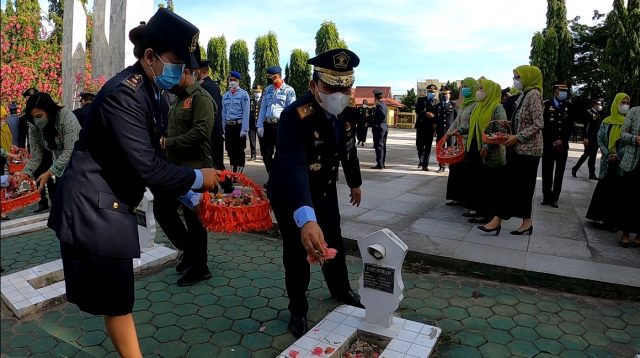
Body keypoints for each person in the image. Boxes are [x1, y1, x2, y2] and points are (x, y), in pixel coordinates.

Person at [46, 9, 220, 357]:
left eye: (186, 66)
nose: (182, 72)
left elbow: (149, 158)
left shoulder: (153, 91)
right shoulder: (124, 94)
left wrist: (190, 195)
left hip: (111, 202)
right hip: (93, 207)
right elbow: (149, 167)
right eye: (176, 63)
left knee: (117, 299)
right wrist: (200, 178)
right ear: (151, 57)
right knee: (118, 300)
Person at [267, 48, 364, 338]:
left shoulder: (347, 111)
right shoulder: (294, 115)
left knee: (332, 238)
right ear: (314, 86)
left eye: (344, 86)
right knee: (298, 253)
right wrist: (306, 219)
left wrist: (355, 182)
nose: (338, 93)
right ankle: (298, 309)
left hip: (324, 190)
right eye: (330, 86)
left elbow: (348, 149)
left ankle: (340, 288)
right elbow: (294, 166)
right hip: (292, 195)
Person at [155, 55, 215, 286]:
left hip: (197, 169)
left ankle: (201, 267)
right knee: (163, 210)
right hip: (175, 168)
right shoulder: (178, 99)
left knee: (195, 219)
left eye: (175, 71)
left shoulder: (201, 98)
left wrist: (170, 142)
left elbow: (201, 132)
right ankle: (190, 251)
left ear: (188, 72)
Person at [480, 65, 544, 236]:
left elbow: (538, 124)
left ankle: (501, 220)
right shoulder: (525, 95)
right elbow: (523, 121)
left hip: (529, 150)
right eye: (515, 76)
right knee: (516, 185)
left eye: (518, 77)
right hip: (520, 148)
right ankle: (521, 222)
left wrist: (517, 137)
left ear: (529, 77)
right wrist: (509, 125)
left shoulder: (534, 95)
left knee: (518, 185)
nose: (516, 80)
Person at [20, 93, 81, 201]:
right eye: (33, 117)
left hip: (79, 166)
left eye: (39, 116)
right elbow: (36, 156)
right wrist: (25, 173)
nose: (36, 120)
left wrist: (49, 173)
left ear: (49, 111)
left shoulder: (65, 117)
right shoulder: (34, 126)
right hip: (60, 168)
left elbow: (69, 151)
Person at [586, 93, 630, 232]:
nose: (625, 105)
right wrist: (607, 153)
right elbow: (600, 138)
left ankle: (613, 221)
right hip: (607, 160)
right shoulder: (607, 121)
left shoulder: (629, 122)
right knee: (604, 187)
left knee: (618, 191)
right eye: (622, 102)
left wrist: (618, 155)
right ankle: (600, 217)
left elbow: (629, 143)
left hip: (621, 162)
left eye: (627, 103)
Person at [195, 53, 233, 194]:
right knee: (215, 162)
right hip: (214, 131)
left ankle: (225, 187)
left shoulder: (206, 87)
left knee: (215, 163)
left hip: (211, 132)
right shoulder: (211, 86)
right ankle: (224, 187)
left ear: (200, 71)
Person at [257, 65, 296, 178]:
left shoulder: (289, 90)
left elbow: (291, 110)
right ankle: (272, 176)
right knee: (266, 154)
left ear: (276, 76)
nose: (268, 79)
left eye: (270, 77)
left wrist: (289, 129)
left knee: (281, 154)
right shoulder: (268, 90)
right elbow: (263, 108)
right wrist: (260, 125)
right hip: (268, 125)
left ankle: (280, 179)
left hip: (281, 125)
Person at [541, 82, 575, 208]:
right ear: (555, 90)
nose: (564, 92)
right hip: (549, 145)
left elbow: (570, 126)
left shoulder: (569, 106)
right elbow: (543, 125)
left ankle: (555, 198)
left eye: (565, 90)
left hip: (562, 145)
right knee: (547, 171)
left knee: (559, 172)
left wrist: (563, 140)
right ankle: (546, 196)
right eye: (561, 90)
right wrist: (549, 142)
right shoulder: (546, 105)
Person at [445, 77, 478, 206]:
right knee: (455, 169)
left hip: (468, 142)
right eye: (462, 86)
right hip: (459, 142)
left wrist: (459, 130)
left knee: (465, 171)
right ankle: (456, 197)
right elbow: (456, 121)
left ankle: (465, 199)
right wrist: (449, 133)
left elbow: (474, 125)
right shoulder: (464, 105)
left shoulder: (475, 105)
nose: (463, 89)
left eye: (466, 86)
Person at [618, 105, 640, 247]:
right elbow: (623, 134)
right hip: (632, 161)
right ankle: (625, 232)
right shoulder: (635, 111)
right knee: (628, 198)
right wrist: (635, 139)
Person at [222, 70, 250, 173]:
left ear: (238, 81)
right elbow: (223, 113)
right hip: (229, 126)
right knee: (230, 149)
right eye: (231, 80)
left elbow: (246, 113)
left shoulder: (244, 95)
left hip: (239, 125)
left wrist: (244, 129)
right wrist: (223, 128)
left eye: (234, 80)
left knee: (239, 149)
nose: (232, 82)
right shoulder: (225, 96)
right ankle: (232, 170)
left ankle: (239, 172)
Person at [572, 98, 603, 180]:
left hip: (595, 138)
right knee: (586, 154)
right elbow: (586, 126)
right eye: (598, 104)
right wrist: (585, 137)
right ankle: (575, 168)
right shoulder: (589, 112)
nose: (600, 105)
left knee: (593, 156)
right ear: (594, 104)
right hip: (589, 138)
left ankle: (592, 174)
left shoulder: (598, 114)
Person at [414, 84, 439, 170]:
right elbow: (417, 110)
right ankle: (421, 159)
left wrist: (435, 128)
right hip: (421, 126)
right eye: (430, 92)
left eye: (433, 92)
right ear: (427, 92)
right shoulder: (421, 100)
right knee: (419, 145)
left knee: (428, 146)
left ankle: (425, 165)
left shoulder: (436, 102)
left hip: (430, 128)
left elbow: (437, 116)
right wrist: (426, 113)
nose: (432, 93)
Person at [435, 87, 457, 172]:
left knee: (451, 149)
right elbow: (436, 120)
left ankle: (451, 165)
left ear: (449, 95)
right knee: (441, 149)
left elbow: (456, 118)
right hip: (440, 131)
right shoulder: (438, 106)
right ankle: (442, 166)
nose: (445, 96)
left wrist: (455, 130)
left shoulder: (454, 105)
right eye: (443, 94)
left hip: (450, 132)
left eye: (446, 94)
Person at [371, 89, 388, 169]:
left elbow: (382, 116)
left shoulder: (379, 105)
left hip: (379, 128)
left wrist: (376, 124)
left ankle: (379, 163)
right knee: (383, 145)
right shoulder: (384, 104)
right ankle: (382, 162)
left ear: (376, 97)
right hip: (384, 127)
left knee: (379, 146)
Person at [249, 86, 262, 160]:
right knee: (252, 140)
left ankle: (263, 154)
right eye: (256, 92)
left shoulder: (263, 101)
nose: (257, 93)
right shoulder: (251, 101)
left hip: (260, 123)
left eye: (259, 92)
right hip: (252, 123)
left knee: (262, 140)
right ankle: (253, 155)